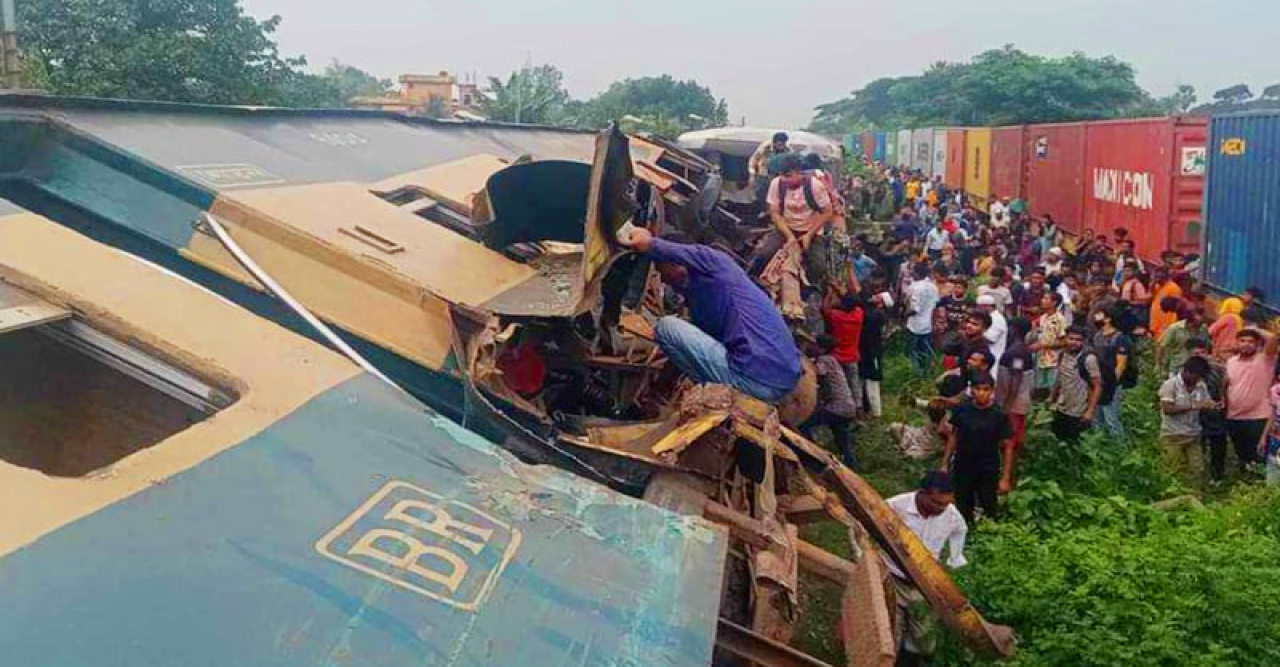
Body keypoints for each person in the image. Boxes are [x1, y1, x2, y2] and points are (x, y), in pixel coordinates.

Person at [625, 227, 802, 402]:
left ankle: (714, 394)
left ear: (675, 262)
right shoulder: (716, 291)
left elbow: (657, 246)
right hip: (781, 384)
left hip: (752, 380)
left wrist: (647, 242)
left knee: (666, 327)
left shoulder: (714, 260)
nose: (662, 279)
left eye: (661, 269)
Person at [886, 471, 968, 664]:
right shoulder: (894, 507)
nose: (942, 508)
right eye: (936, 503)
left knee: (923, 636)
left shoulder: (952, 517)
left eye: (946, 504)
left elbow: (959, 533)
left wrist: (953, 560)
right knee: (889, 630)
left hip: (924, 584)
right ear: (922, 493)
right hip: (892, 576)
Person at [940, 372, 1015, 524]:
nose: (981, 393)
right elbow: (953, 436)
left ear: (992, 391)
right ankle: (965, 531)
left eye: (986, 389)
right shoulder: (962, 409)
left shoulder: (999, 415)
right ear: (971, 390)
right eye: (978, 389)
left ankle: (989, 534)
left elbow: (1007, 447)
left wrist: (1005, 478)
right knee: (962, 503)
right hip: (963, 464)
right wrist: (944, 464)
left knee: (988, 504)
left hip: (988, 467)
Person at [754, 153, 835, 275]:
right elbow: (775, 213)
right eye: (782, 175)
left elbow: (828, 212)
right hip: (786, 228)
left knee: (819, 267)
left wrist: (809, 235)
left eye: (788, 176)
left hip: (811, 231)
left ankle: (813, 290)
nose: (784, 179)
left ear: (799, 173)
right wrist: (789, 236)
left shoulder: (815, 186)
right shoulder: (776, 184)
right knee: (763, 255)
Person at [1223, 328, 1279, 474]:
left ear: (1257, 344)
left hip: (1258, 417)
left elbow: (1273, 338)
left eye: (1250, 341)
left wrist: (1254, 329)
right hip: (1234, 416)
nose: (1246, 344)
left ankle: (1260, 490)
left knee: (1258, 456)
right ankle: (1245, 489)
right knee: (1243, 456)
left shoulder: (1265, 359)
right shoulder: (1231, 362)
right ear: (1237, 343)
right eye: (1242, 341)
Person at [801, 335, 859, 467]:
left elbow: (816, 372)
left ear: (821, 349)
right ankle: (851, 466)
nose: (812, 347)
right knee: (842, 440)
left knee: (802, 424)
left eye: (814, 345)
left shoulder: (824, 360)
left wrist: (803, 362)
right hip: (848, 407)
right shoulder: (833, 360)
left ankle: (813, 458)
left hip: (836, 408)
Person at [1158, 355, 1214, 482]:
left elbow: (1205, 401)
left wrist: (1211, 405)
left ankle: (1196, 495)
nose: (1197, 380)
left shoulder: (1201, 386)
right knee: (1173, 470)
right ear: (1187, 372)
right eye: (1196, 377)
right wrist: (1194, 406)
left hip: (1193, 434)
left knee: (1198, 470)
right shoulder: (1170, 385)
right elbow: (1167, 409)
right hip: (1173, 435)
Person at [995, 317, 1035, 486]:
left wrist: (1007, 405)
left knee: (1008, 440)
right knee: (1014, 439)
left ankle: (1005, 478)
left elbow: (1016, 378)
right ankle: (1012, 472)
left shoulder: (1017, 352)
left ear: (1015, 330)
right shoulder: (1021, 349)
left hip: (1014, 403)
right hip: (1019, 402)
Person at [1050, 326, 1103, 444]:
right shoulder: (1062, 355)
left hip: (1078, 410)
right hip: (1062, 406)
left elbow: (1098, 386)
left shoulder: (1089, 359)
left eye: (1078, 340)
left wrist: (1090, 411)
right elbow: (1059, 378)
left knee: (1074, 443)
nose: (1074, 342)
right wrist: (1051, 397)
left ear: (1083, 341)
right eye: (1071, 338)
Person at [1189, 338, 1230, 483]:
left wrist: (1223, 401)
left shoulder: (1218, 369)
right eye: (1195, 353)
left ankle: (1217, 476)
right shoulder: (1185, 370)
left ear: (1207, 353)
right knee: (1197, 446)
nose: (1199, 356)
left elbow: (1225, 385)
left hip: (1215, 414)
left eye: (1202, 352)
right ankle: (1199, 476)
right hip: (1194, 415)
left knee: (1218, 445)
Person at [1091, 305, 1134, 440]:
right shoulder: (1097, 336)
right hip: (1097, 383)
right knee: (1097, 418)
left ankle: (1119, 448)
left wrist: (1111, 383)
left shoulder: (1120, 338)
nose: (1095, 317)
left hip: (1111, 385)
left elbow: (1121, 364)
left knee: (1112, 418)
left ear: (1108, 318)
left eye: (1099, 314)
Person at [823, 288, 865, 415]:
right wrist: (838, 289)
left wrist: (829, 294)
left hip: (838, 357)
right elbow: (853, 301)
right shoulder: (859, 314)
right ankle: (859, 410)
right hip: (852, 356)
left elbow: (825, 309)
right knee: (854, 384)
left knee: (840, 386)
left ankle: (843, 410)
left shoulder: (836, 316)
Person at [860, 292, 891, 417]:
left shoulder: (877, 315)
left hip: (872, 351)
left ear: (881, 302)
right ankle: (868, 407)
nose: (873, 296)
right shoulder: (877, 314)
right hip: (871, 350)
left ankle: (876, 411)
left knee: (872, 380)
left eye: (877, 296)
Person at [1032, 292, 1068, 398]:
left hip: (1053, 360)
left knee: (1051, 389)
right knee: (1038, 388)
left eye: (1046, 298)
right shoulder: (1043, 317)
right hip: (1040, 358)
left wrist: (1044, 346)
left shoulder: (1060, 320)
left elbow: (1064, 341)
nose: (1042, 300)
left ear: (1054, 302)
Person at [906, 263, 940, 374]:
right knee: (925, 352)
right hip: (928, 325)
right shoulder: (933, 286)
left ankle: (916, 374)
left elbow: (914, 309)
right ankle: (927, 373)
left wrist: (903, 316)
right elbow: (935, 305)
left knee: (913, 352)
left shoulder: (916, 287)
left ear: (916, 273)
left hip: (915, 325)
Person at [749, 131, 790, 204]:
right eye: (779, 144)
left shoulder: (788, 150)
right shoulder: (765, 147)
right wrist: (752, 174)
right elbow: (754, 159)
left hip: (777, 176)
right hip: (762, 174)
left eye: (783, 144)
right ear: (774, 142)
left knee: (775, 196)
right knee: (760, 194)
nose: (781, 146)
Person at [976, 294, 1008, 379]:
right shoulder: (989, 317)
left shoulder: (997, 319)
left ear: (987, 306)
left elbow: (990, 338)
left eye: (980, 307)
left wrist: (975, 333)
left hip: (994, 356)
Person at [1149, 268, 1184, 339]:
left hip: (1166, 323)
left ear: (1165, 276)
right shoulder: (1158, 286)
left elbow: (1175, 308)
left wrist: (1170, 326)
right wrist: (1153, 282)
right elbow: (1151, 295)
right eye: (1156, 277)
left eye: (1158, 277)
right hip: (1156, 322)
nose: (1157, 279)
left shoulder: (1174, 288)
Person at [1208, 297, 1245, 361]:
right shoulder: (1240, 320)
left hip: (1223, 349)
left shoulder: (1228, 317)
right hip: (1234, 349)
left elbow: (1211, 330)